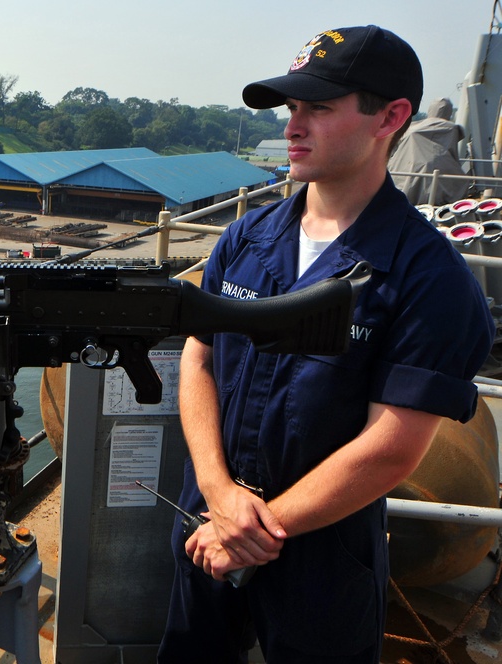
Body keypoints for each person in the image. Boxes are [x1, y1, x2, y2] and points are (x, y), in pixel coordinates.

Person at [158, 25, 495, 663]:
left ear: (390, 118)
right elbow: (200, 358)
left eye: (319, 108)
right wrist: (221, 496)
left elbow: (391, 447)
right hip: (211, 519)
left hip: (323, 550)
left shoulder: (430, 279)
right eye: (291, 109)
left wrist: (256, 529)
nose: (293, 126)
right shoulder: (244, 240)